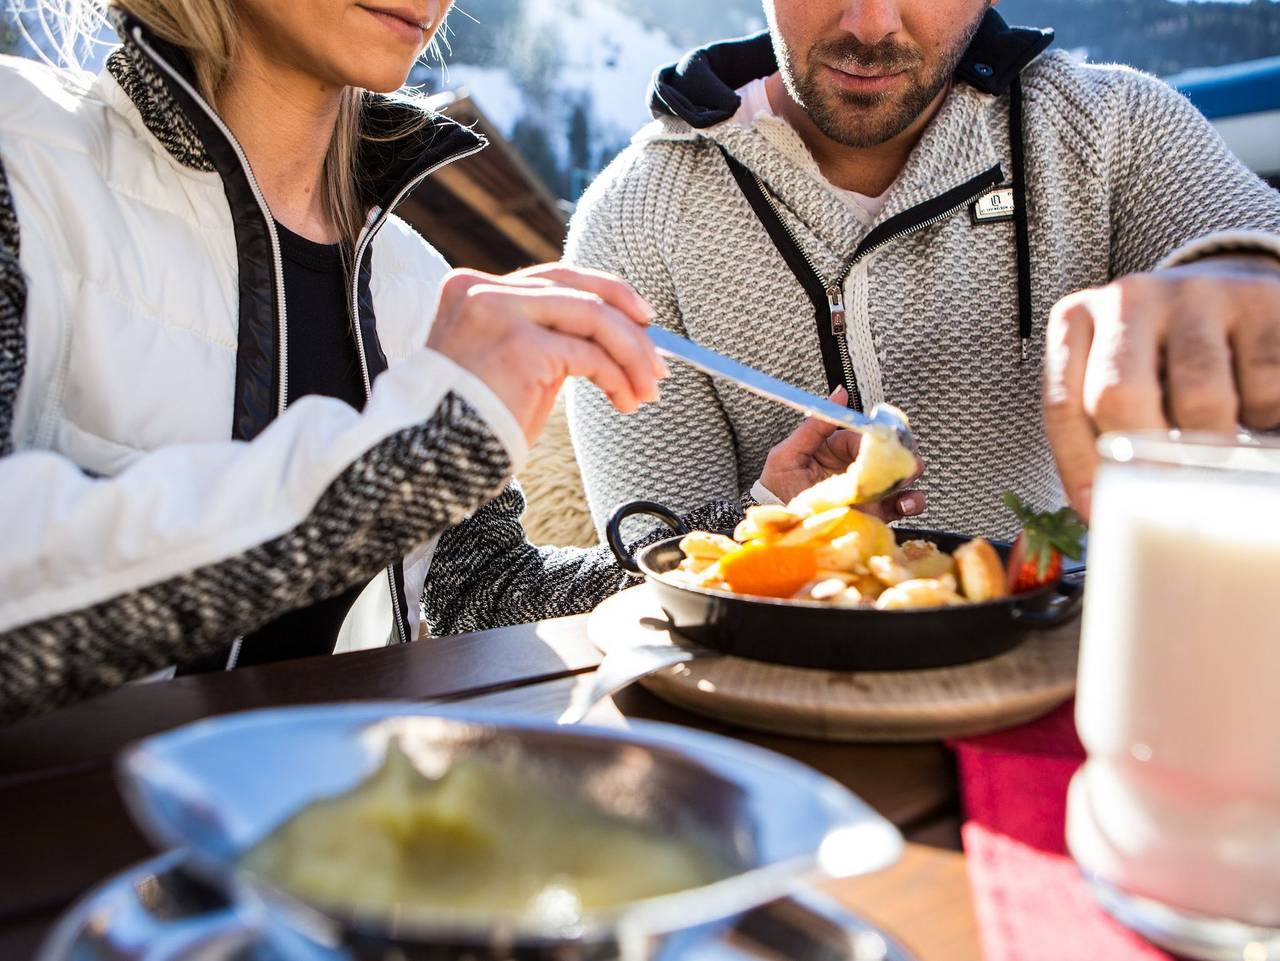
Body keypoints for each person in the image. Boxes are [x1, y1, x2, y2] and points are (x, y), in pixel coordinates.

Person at [0, 0, 924, 724]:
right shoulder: (23, 161)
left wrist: (766, 533)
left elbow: (478, 595)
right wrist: (414, 457)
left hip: (348, 857)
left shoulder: (417, 279)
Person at [564, 0, 1280, 538]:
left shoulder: (1115, 128)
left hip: (1067, 676)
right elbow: (647, 560)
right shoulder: (632, 222)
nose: (872, 23)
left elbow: (1256, 249)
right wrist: (773, 515)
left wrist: (1246, 281)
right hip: (774, 709)